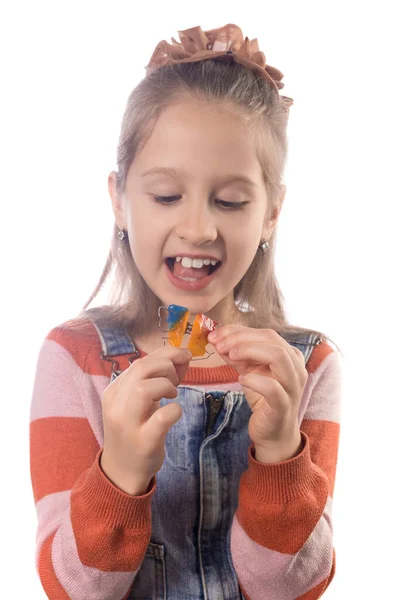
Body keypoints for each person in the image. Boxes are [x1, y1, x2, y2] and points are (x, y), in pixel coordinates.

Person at [29, 23, 343, 600]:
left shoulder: (308, 365)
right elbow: (72, 591)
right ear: (119, 201)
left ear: (271, 212)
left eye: (230, 201)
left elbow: (292, 590)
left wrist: (279, 457)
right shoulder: (75, 358)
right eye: (167, 196)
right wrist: (119, 473)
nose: (199, 228)